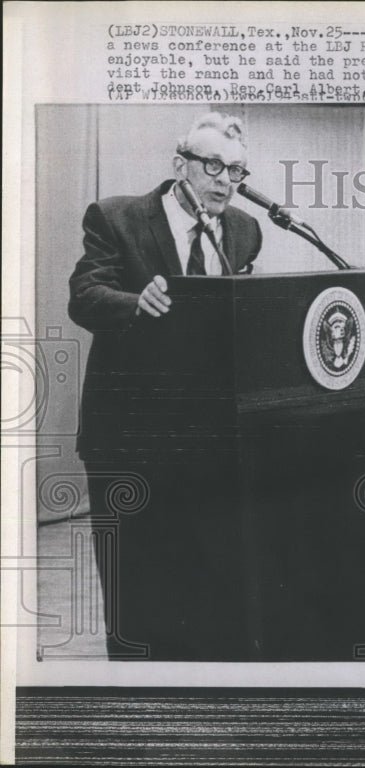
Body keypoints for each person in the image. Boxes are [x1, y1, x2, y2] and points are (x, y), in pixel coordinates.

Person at [68, 112, 262, 659]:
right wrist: (137, 303)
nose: (226, 180)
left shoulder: (245, 230)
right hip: (128, 436)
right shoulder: (117, 218)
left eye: (237, 171)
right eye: (214, 166)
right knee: (136, 585)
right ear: (181, 166)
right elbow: (84, 296)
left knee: (203, 574)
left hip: (208, 438)